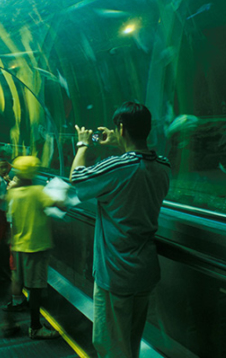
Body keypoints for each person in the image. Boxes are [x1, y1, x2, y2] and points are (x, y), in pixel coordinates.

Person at [70, 102, 171, 358]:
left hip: (115, 272)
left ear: (121, 128)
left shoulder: (117, 167)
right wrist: (121, 143)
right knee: (131, 342)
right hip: (145, 270)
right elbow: (135, 164)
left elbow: (77, 180)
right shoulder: (163, 166)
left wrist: (84, 143)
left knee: (111, 345)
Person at [5, 156, 65, 340]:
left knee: (18, 282)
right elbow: (59, 205)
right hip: (36, 247)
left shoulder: (13, 192)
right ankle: (36, 327)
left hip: (19, 245)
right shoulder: (38, 191)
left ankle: (8, 321)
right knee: (36, 289)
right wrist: (62, 192)